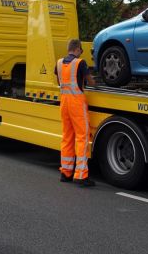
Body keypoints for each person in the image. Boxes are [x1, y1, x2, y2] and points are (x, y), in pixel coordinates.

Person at [55, 38, 96, 187]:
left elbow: (60, 81)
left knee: (67, 136)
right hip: (76, 103)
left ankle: (65, 172)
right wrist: (94, 82)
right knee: (82, 137)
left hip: (64, 101)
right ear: (78, 49)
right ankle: (81, 175)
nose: (81, 53)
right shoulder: (80, 63)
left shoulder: (59, 63)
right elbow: (90, 81)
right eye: (81, 50)